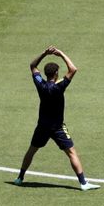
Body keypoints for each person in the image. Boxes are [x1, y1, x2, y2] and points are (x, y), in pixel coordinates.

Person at [15, 47, 98, 190]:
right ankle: (83, 183)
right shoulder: (59, 87)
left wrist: (44, 53)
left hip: (42, 126)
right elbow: (73, 69)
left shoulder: (40, 84)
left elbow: (33, 66)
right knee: (72, 153)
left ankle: (20, 178)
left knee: (32, 150)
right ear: (56, 73)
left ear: (46, 74)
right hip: (58, 127)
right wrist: (60, 54)